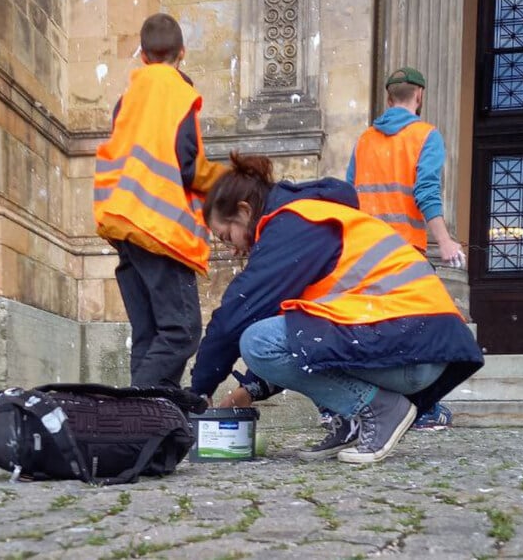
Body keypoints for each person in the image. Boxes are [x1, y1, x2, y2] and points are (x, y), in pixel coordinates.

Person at [190, 152, 483, 463]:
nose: (233, 248)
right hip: (414, 345)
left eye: (227, 236)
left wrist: (198, 393)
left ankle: (380, 409)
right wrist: (247, 392)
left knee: (255, 340)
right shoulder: (309, 220)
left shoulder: (293, 224)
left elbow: (236, 315)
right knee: (278, 332)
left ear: (245, 210)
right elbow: (298, 339)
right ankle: (354, 421)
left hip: (410, 348)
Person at [94, 13, 226, 390]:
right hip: (159, 229)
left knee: (149, 335)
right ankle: (132, 408)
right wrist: (226, 179)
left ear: (144, 56)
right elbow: (187, 166)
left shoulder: (128, 99)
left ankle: (146, 430)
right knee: (182, 332)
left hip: (122, 224)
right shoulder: (179, 94)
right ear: (182, 53)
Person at [347, 66, 465, 431]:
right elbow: (426, 191)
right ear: (420, 96)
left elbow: (348, 195)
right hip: (404, 255)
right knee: (427, 329)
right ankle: (422, 410)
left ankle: (365, 407)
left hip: (365, 254)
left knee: (372, 331)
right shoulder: (425, 136)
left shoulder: (365, 139)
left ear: (387, 98)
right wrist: (445, 242)